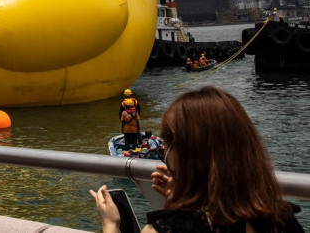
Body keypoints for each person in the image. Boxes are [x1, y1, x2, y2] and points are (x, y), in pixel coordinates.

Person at [92, 86, 304, 233]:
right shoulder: (282, 218)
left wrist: (111, 225)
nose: (164, 147)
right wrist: (180, 202)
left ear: (186, 152)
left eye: (168, 139)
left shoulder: (166, 229)